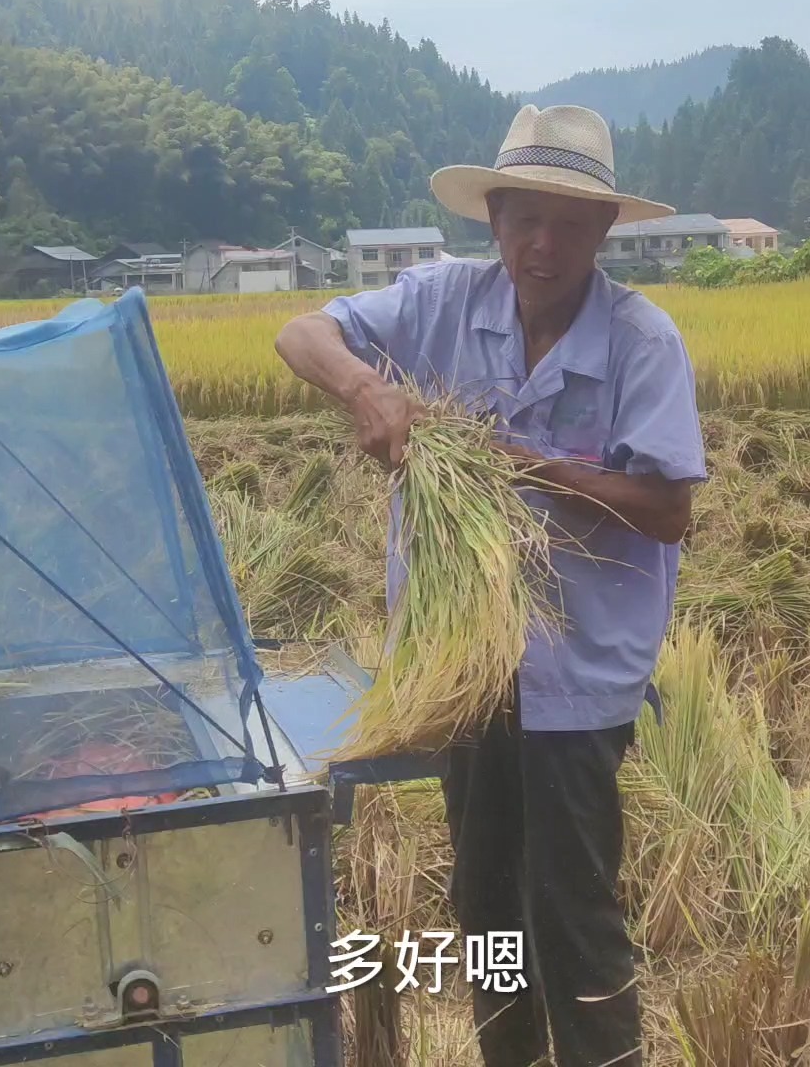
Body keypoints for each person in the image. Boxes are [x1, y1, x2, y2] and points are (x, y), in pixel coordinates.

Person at [274, 104, 706, 1067]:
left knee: (572, 907)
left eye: (567, 224)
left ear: (603, 232)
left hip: (578, 676)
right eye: (523, 219)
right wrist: (366, 389)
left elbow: (670, 509)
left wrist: (519, 463)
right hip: (465, 670)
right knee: (484, 906)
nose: (542, 245)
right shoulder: (438, 302)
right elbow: (301, 332)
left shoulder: (642, 342)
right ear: (493, 218)